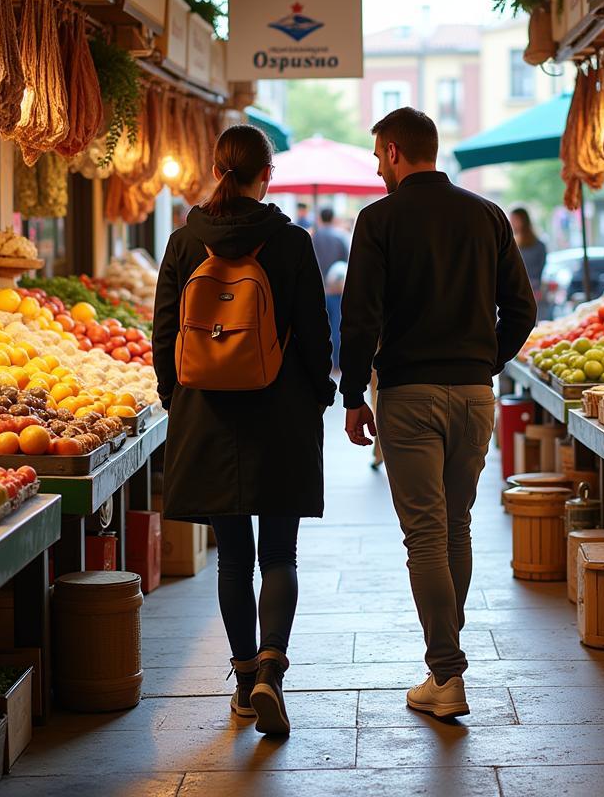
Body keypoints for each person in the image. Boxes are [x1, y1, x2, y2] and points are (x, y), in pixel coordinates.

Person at [340, 107, 536, 719]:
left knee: (425, 533)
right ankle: (441, 668)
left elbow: (360, 316)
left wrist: (352, 394)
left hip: (408, 396)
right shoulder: (487, 215)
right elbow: (522, 311)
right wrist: (484, 362)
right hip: (475, 396)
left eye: (377, 157)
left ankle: (446, 675)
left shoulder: (379, 220)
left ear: (395, 151)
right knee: (456, 527)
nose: (376, 169)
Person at [152, 125, 335, 737]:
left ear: (216, 168)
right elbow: (314, 333)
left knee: (233, 557)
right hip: (280, 413)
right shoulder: (291, 242)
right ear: (267, 174)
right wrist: (323, 396)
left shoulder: (183, 242)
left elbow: (163, 334)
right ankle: (270, 675)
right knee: (279, 553)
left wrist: (174, 399)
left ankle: (239, 677)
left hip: (207, 414)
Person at [312, 207, 350, 370]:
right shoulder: (339, 238)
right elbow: (346, 263)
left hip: (317, 289)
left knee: (318, 327)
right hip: (336, 290)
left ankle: (322, 362)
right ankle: (336, 362)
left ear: (320, 218)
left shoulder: (313, 238)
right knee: (336, 326)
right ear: (333, 218)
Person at [510, 206, 549, 320]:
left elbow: (540, 270)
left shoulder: (539, 245)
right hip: (516, 292)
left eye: (515, 219)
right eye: (511, 219)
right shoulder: (511, 244)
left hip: (534, 292)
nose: (512, 223)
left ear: (524, 220)